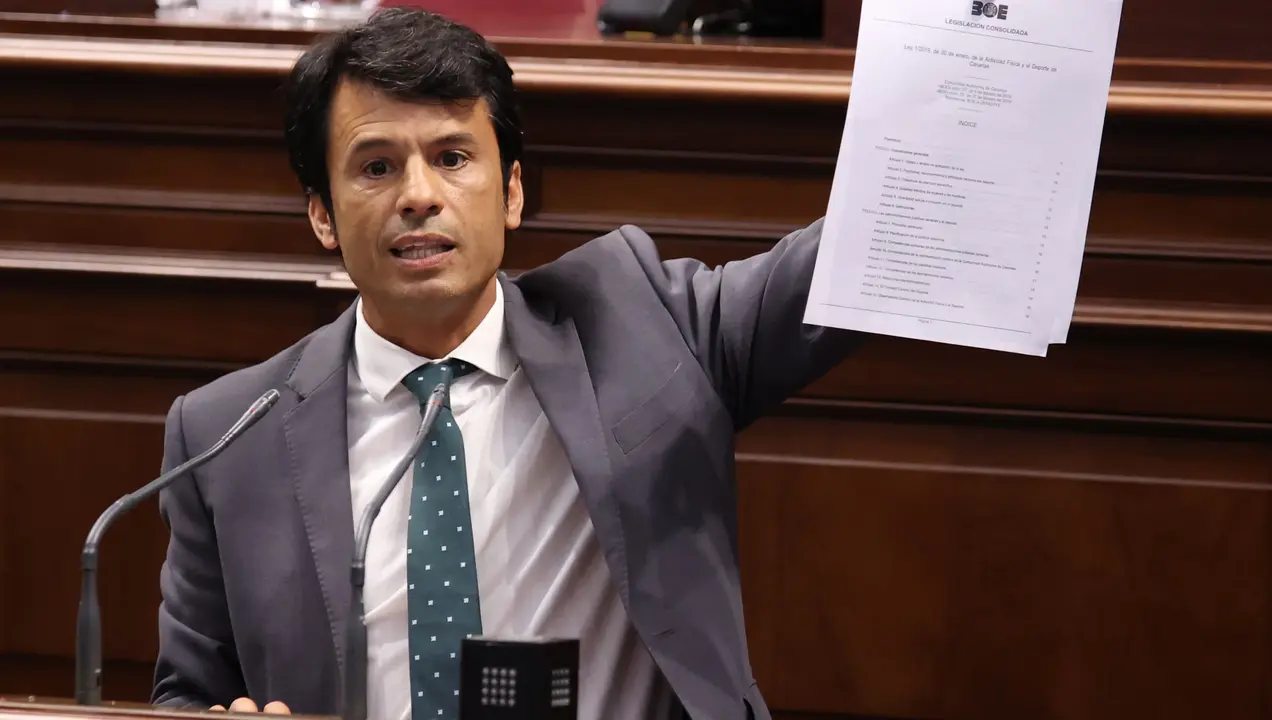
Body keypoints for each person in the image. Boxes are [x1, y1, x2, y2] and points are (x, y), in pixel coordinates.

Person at [150, 7, 858, 720]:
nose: (419, 196)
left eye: (453, 158)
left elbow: (850, 261)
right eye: (376, 167)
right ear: (323, 215)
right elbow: (186, 693)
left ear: (512, 192)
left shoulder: (649, 329)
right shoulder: (228, 436)